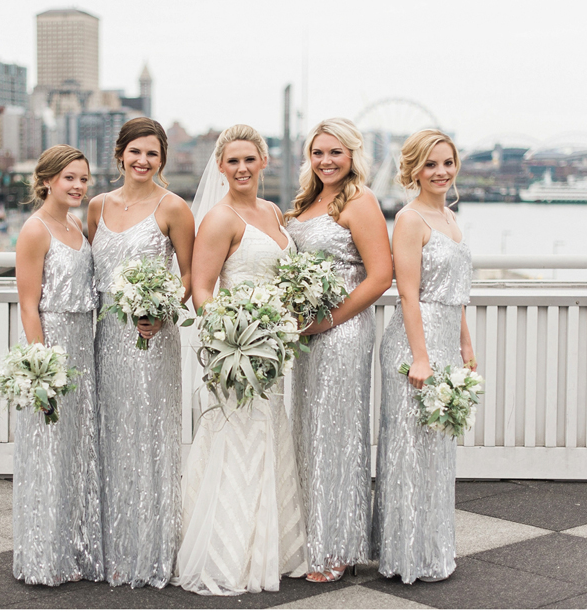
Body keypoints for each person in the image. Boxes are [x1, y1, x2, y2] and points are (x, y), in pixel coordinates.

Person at [174, 124, 308, 596]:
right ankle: (227, 552)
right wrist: (233, 338)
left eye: (249, 159)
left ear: (264, 162)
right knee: (235, 438)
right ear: (220, 167)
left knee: (267, 433)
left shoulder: (273, 212)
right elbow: (204, 291)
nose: (242, 168)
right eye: (232, 161)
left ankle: (271, 546)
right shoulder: (219, 218)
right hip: (237, 352)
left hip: (274, 349)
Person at [87, 117, 195, 588]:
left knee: (149, 437)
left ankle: (152, 548)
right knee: (110, 435)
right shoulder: (96, 207)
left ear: (162, 159)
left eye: (152, 154)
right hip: (108, 337)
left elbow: (191, 277)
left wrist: (163, 309)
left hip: (153, 339)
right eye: (135, 152)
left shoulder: (174, 208)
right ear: (120, 154)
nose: (143, 161)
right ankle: (111, 546)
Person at [285, 118, 393, 582]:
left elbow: (380, 276)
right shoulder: (306, 203)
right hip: (308, 335)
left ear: (352, 155)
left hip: (343, 331)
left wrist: (327, 320)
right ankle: (312, 537)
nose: (326, 161)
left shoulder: (361, 201)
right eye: (318, 153)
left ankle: (339, 546)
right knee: (310, 431)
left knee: (337, 435)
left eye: (335, 152)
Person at [371, 129, 475, 584]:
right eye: (430, 164)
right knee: (409, 450)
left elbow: (457, 293)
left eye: (447, 163)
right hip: (416, 343)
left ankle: (433, 550)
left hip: (447, 340)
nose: (440, 172)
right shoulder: (410, 219)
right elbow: (408, 296)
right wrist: (421, 357)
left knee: (437, 450)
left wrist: (466, 343)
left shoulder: (451, 218)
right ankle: (405, 556)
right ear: (413, 170)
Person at [12, 145, 103, 586]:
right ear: (46, 179)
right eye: (69, 178)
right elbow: (29, 306)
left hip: (83, 345)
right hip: (53, 344)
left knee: (77, 450)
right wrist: (43, 368)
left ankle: (76, 550)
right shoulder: (35, 230)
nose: (78, 186)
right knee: (49, 452)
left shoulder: (75, 226)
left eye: (84, 179)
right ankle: (44, 557)